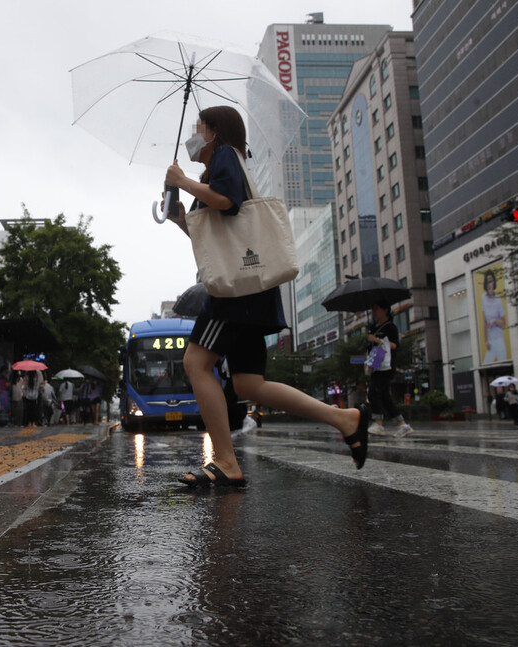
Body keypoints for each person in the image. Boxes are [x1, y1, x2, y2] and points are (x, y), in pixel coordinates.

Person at [164, 105, 369, 486]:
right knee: (247, 384)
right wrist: (180, 218)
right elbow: (212, 239)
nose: (194, 136)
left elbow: (228, 201)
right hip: (251, 290)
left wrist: (182, 179)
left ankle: (225, 462)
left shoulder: (226, 156)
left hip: (234, 294)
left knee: (196, 363)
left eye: (199, 128)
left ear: (213, 132)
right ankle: (344, 418)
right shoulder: (219, 169)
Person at [366, 301, 413, 437]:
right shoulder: (373, 327)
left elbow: (394, 345)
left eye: (376, 308)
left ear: (385, 310)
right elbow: (371, 348)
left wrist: (376, 340)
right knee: (385, 396)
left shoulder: (390, 327)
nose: (374, 311)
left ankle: (379, 423)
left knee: (373, 392)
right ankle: (403, 425)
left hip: (387, 365)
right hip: (376, 364)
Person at [481, 269, 508, 364]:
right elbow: (484, 321)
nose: (489, 284)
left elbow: (504, 324)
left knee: (504, 364)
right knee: (486, 365)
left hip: (499, 339)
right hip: (491, 342)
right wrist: (485, 341)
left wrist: (494, 321)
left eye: (491, 281)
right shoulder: (483, 297)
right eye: (487, 281)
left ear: (494, 282)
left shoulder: (498, 300)